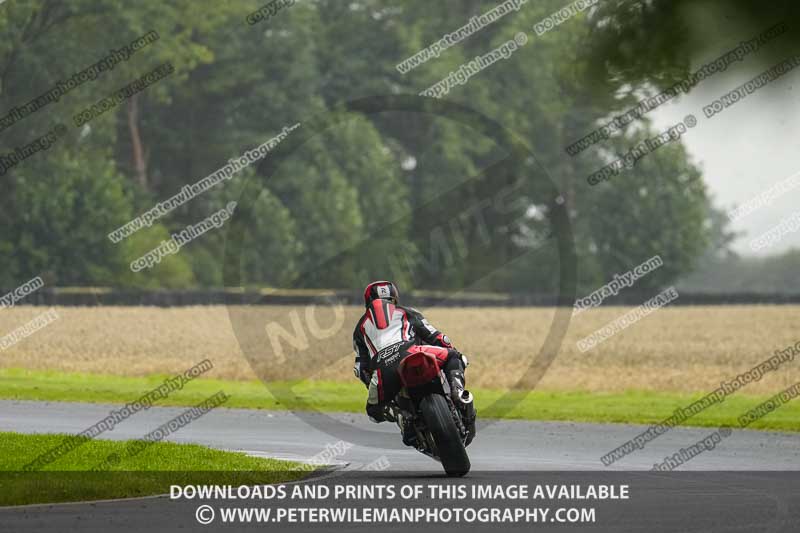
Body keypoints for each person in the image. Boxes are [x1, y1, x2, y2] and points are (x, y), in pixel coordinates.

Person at [352, 280, 475, 447]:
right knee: (454, 356)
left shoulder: (359, 328)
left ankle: (400, 417)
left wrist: (372, 383)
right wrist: (449, 348)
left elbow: (360, 368)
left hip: (383, 371)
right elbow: (438, 337)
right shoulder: (408, 312)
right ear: (394, 297)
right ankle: (458, 393)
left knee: (373, 411)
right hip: (413, 352)